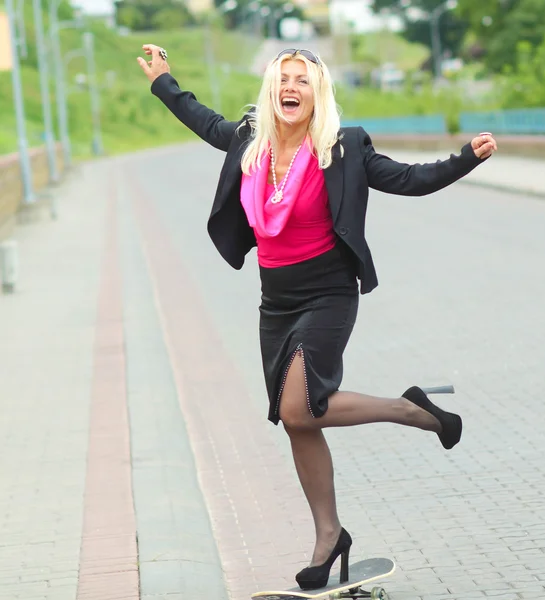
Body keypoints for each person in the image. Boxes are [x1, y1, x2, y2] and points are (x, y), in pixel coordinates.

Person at [137, 44, 497, 591]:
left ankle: (409, 409)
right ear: (271, 89)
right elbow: (203, 119)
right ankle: (330, 537)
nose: (292, 87)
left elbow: (407, 179)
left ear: (316, 93)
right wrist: (165, 81)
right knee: (299, 420)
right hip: (275, 302)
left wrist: (464, 158)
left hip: (329, 294)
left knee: (299, 405)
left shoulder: (342, 148)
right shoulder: (250, 140)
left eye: (303, 80)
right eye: (284, 78)